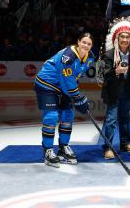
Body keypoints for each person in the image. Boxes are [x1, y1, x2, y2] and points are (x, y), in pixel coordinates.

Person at [34, 32, 95, 168]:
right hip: (47, 84)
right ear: (78, 42)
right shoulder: (68, 57)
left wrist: (76, 96)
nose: (86, 45)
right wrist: (78, 97)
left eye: (89, 44)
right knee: (51, 116)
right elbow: (67, 80)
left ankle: (63, 148)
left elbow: (75, 77)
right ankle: (48, 151)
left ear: (91, 46)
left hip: (63, 86)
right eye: (83, 42)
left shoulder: (90, 58)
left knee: (68, 115)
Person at [101, 17, 130, 159]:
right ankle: (108, 147)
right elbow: (103, 75)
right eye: (122, 36)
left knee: (125, 118)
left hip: (127, 91)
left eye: (127, 37)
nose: (125, 39)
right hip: (113, 92)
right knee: (111, 120)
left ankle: (125, 144)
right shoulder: (109, 54)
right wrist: (115, 71)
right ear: (117, 38)